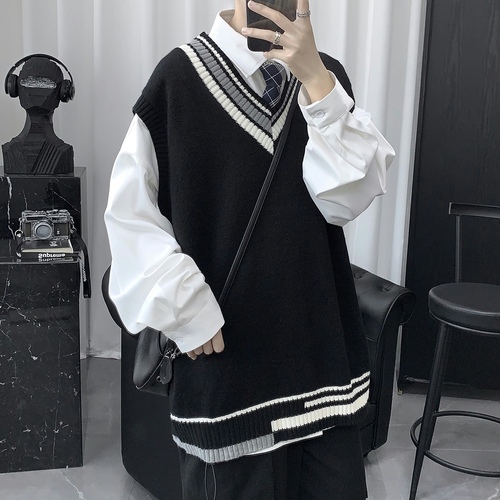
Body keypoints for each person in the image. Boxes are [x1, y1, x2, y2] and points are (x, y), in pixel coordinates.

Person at [105, 0, 395, 498]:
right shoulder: (179, 79)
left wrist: (317, 81)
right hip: (226, 377)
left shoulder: (325, 78)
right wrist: (185, 308)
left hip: (323, 368)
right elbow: (130, 214)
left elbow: (345, 201)